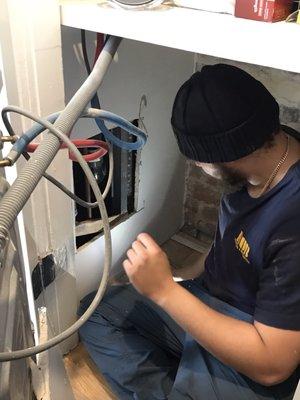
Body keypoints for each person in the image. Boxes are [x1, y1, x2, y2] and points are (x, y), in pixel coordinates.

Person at [78, 64, 300, 399]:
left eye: (198, 160)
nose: (195, 165)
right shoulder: (267, 143)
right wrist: (180, 276)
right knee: (95, 314)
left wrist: (165, 291)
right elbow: (230, 241)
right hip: (209, 298)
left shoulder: (292, 223)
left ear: (231, 154)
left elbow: (273, 366)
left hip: (255, 340)